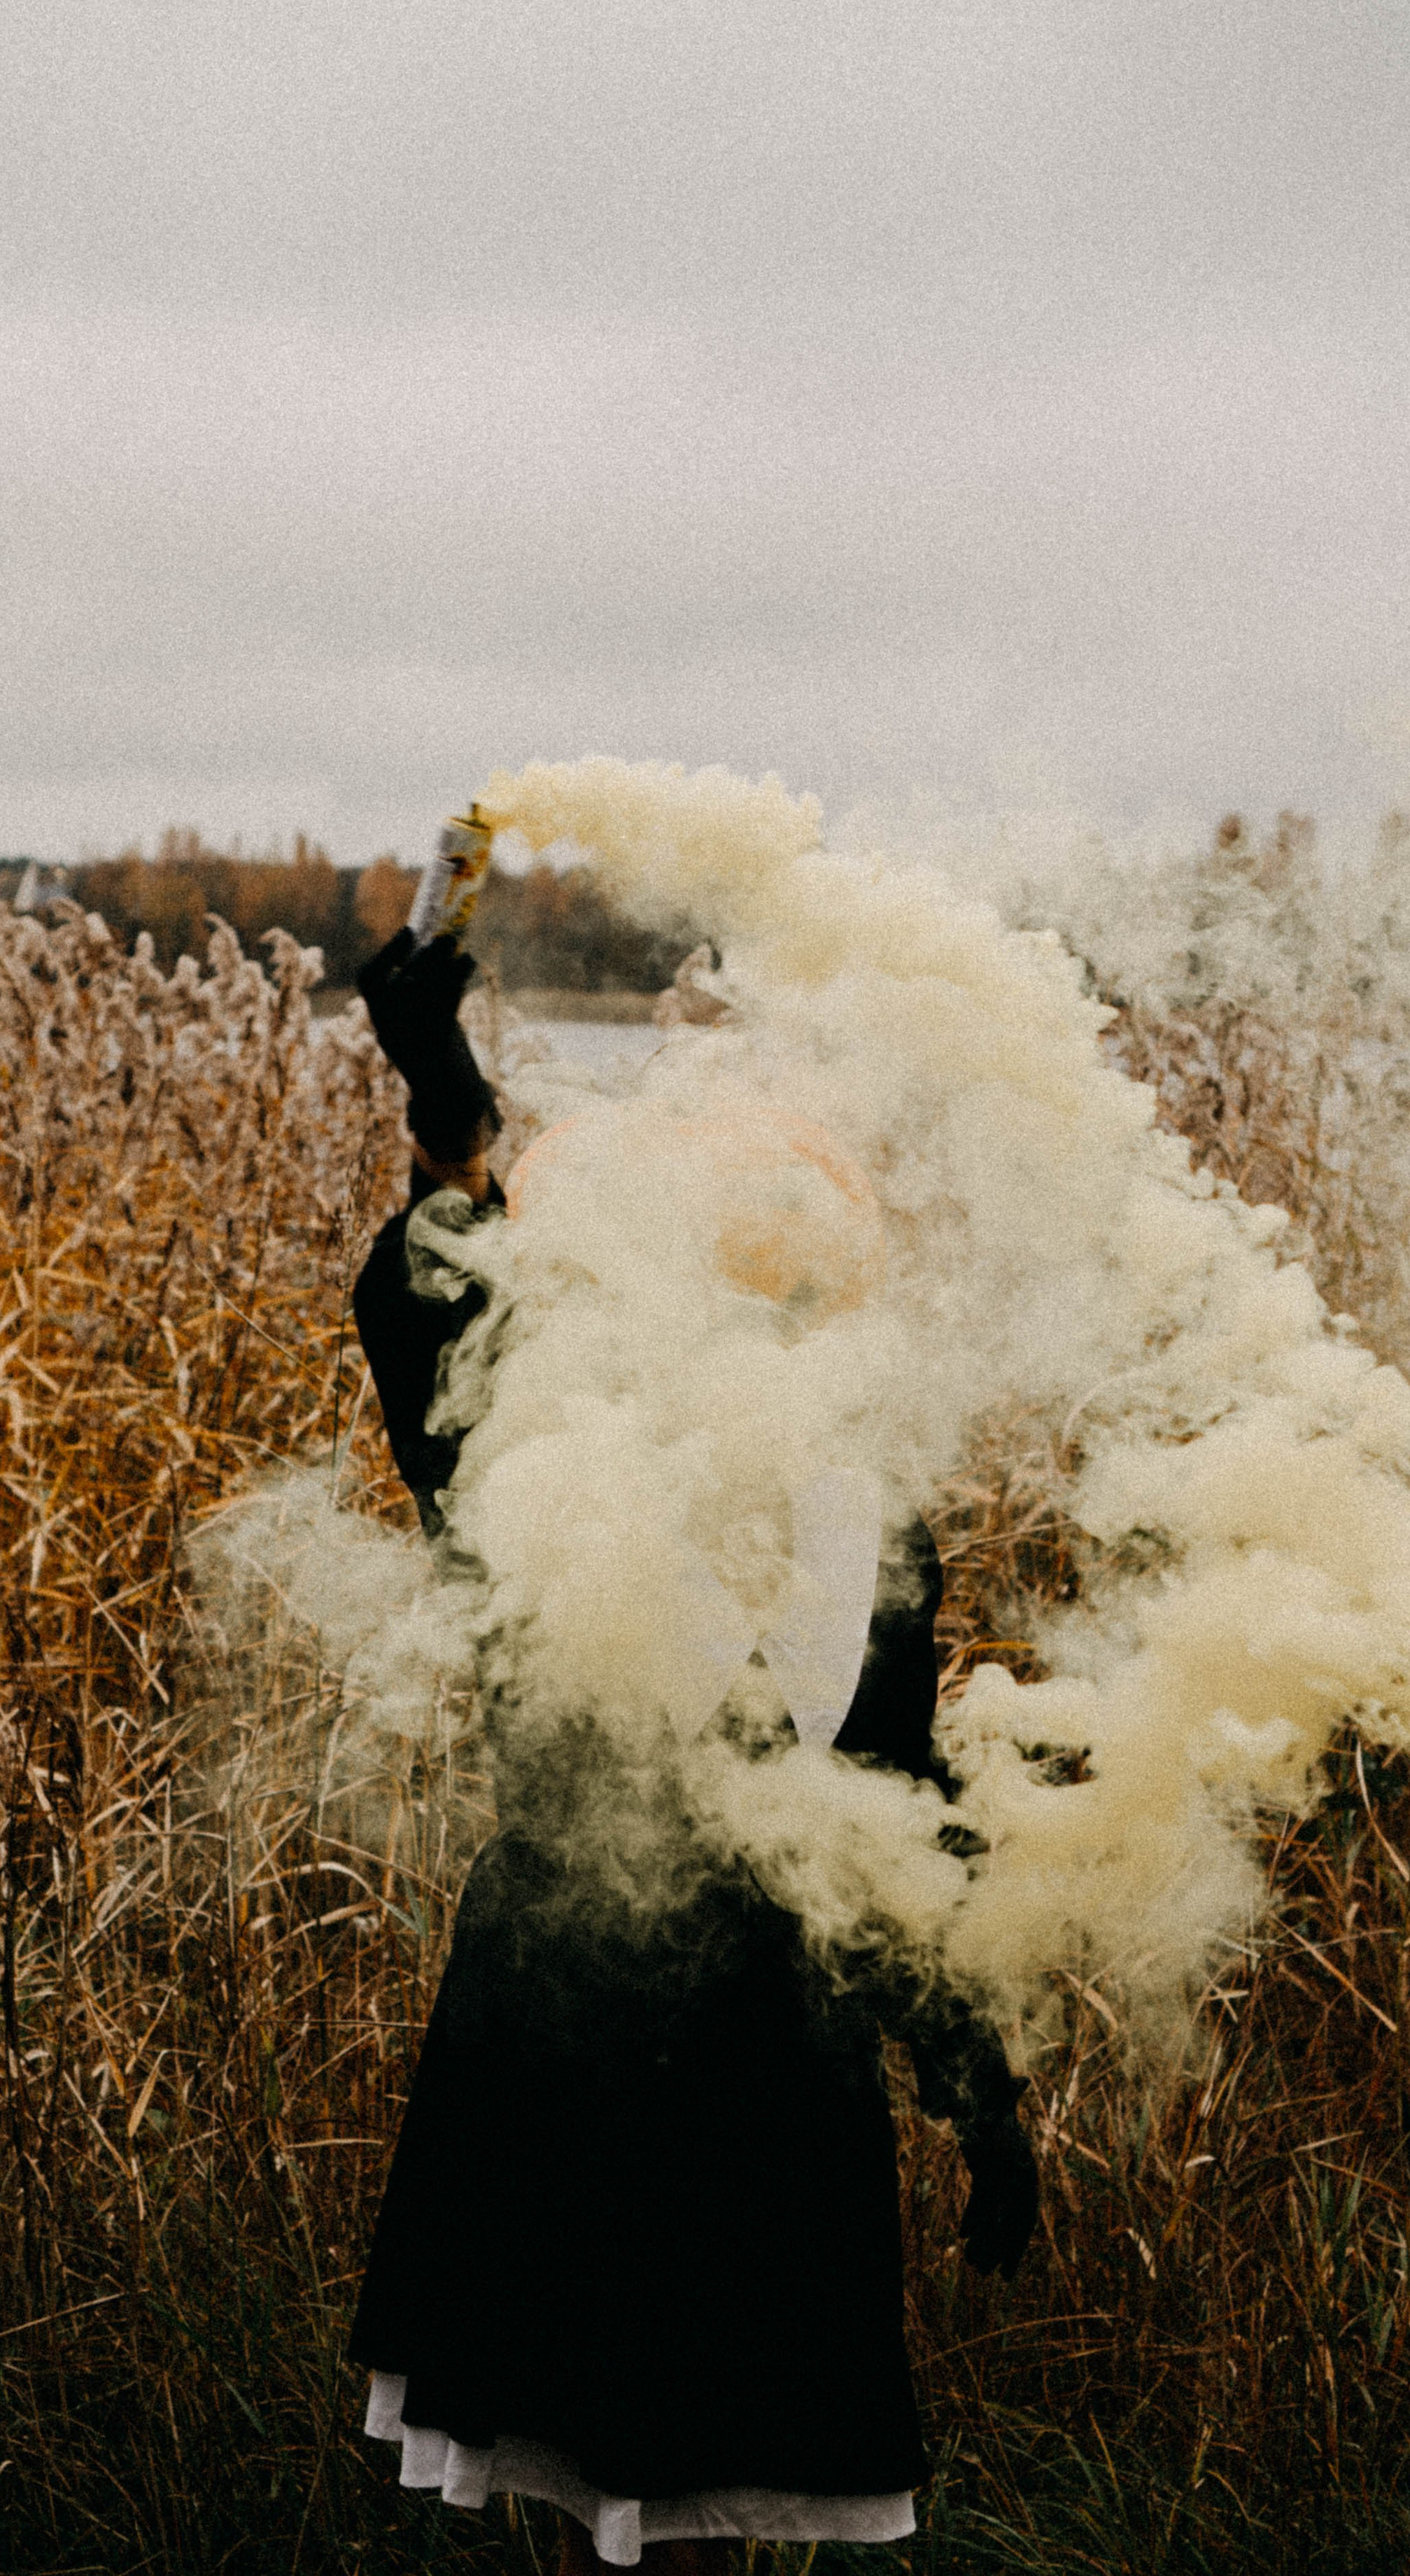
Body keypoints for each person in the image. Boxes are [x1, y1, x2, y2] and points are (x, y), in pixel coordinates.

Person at [346, 927, 1038, 2573]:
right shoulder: (545, 1462)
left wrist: (971, 2089)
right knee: (567, 2468)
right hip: (565, 2014)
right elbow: (429, 1325)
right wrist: (447, 1125)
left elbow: (891, 1819)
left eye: (791, 1294)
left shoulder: (875, 1523)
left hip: (775, 2051)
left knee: (717, 2486)